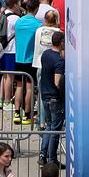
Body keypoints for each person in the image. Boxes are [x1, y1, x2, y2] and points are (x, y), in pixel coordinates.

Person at [39, 29, 66, 163]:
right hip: (55, 98)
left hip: (45, 95)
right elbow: (57, 82)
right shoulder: (59, 61)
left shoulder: (45, 54)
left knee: (49, 127)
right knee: (55, 130)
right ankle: (52, 159)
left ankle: (43, 155)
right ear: (61, 42)